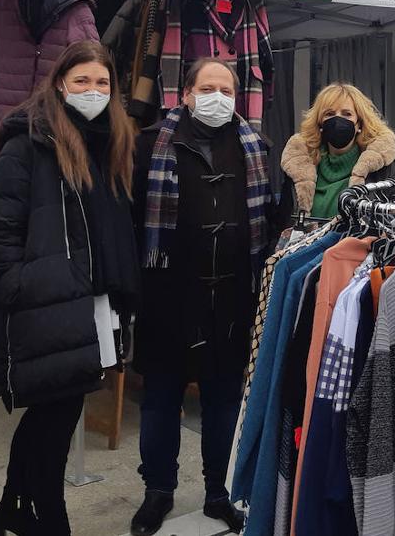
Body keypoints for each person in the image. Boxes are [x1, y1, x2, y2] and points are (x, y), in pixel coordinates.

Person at [0, 41, 140, 536]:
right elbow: (0, 230)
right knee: (55, 411)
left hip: (92, 300)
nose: (93, 91)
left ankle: (14, 507)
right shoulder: (29, 144)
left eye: (102, 82)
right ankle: (48, 517)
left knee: (59, 411)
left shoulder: (112, 142)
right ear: (59, 84)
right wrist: (19, 286)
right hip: (47, 299)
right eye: (82, 80)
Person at [131, 58, 275, 536]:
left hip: (232, 300)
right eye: (208, 88)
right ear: (187, 94)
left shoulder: (256, 147)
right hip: (167, 297)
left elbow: (269, 217)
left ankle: (220, 492)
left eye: (227, 90)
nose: (218, 98)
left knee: (224, 402)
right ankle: (158, 491)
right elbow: (134, 219)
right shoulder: (150, 145)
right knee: (160, 401)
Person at [280, 82, 395, 221]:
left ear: (359, 124)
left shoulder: (383, 169)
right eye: (329, 114)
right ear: (320, 123)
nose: (338, 119)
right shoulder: (299, 166)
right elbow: (283, 221)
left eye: (347, 114)